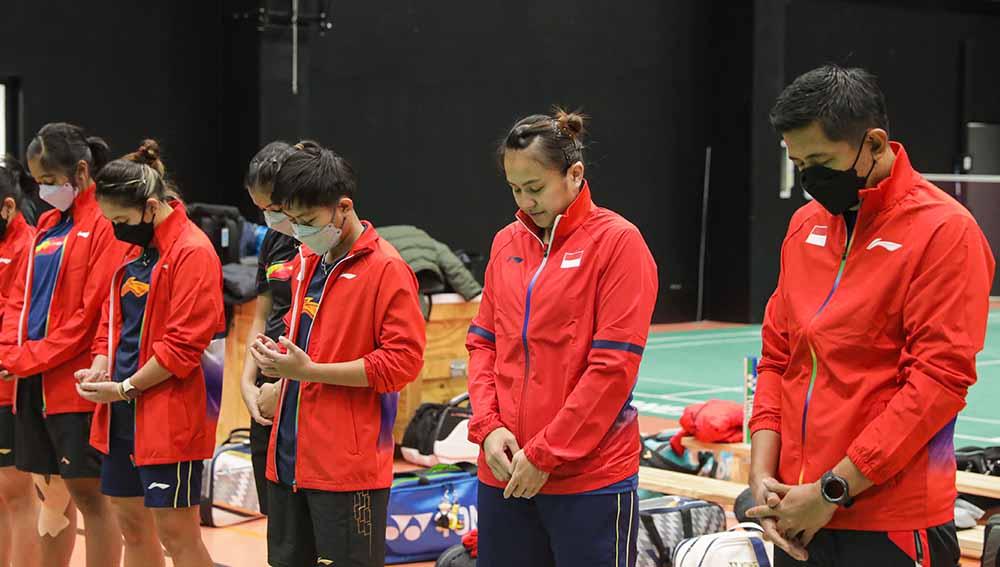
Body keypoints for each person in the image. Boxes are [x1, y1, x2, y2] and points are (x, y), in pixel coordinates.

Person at [746, 65, 995, 566]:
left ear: (875, 143)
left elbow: (936, 384)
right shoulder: (804, 227)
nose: (809, 179)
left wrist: (832, 489)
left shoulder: (946, 232)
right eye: (798, 163)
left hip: (890, 523)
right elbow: (777, 359)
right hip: (795, 513)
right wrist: (762, 475)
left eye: (820, 160)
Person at [466, 108, 658, 567]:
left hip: (588, 479)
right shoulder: (506, 243)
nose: (524, 200)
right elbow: (483, 345)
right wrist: (489, 429)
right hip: (505, 473)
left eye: (535, 188)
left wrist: (547, 454)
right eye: (514, 188)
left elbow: (612, 368)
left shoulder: (618, 243)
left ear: (575, 174)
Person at [248, 142, 425, 567]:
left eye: (307, 221)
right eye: (291, 221)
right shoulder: (308, 258)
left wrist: (308, 371)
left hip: (347, 473)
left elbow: (402, 364)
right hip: (287, 462)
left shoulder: (387, 269)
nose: (298, 231)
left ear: (343, 208)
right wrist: (278, 369)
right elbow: (307, 345)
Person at [74, 140, 223, 567]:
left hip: (168, 415)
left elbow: (182, 347)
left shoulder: (192, 252)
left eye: (121, 220)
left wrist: (124, 387)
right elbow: (113, 318)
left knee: (177, 537)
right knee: (132, 528)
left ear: (151, 207)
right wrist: (102, 365)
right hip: (121, 413)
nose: (116, 229)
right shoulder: (133, 248)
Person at [0, 123, 128, 567]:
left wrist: (26, 358)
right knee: (49, 494)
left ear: (79, 171)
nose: (43, 190)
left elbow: (87, 315)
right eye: (38, 181)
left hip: (74, 383)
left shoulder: (104, 223)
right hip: (31, 381)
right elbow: (19, 297)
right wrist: (11, 354)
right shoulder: (48, 225)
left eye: (50, 181)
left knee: (92, 500)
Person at [240, 140, 301, 515]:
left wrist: (288, 388)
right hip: (267, 397)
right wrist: (248, 383)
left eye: (275, 208)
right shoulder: (275, 240)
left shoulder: (327, 241)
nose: (269, 218)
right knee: (276, 525)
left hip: (304, 394)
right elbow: (262, 315)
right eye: (261, 210)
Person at [0, 156, 41, 566]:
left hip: (10, 388)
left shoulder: (28, 246)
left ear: (7, 207)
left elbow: (19, 316)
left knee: (14, 493)